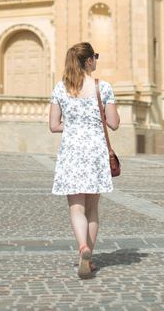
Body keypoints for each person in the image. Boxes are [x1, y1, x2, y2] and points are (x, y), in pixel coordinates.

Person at [48, 42, 119, 279]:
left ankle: (82, 248)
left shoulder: (61, 88)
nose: (96, 60)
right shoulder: (103, 87)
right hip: (96, 150)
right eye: (95, 57)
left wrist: (74, 127)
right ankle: (88, 259)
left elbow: (53, 125)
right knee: (92, 208)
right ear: (88, 61)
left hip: (72, 150)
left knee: (76, 207)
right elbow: (114, 123)